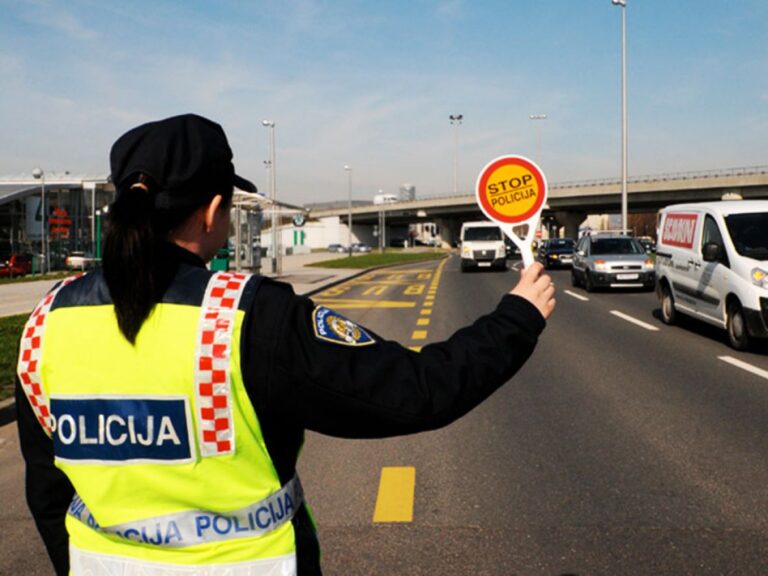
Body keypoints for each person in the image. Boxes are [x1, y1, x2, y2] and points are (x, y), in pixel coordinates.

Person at [16, 113, 556, 576]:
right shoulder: (247, 317)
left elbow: (47, 491)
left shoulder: (46, 322)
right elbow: (415, 392)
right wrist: (517, 317)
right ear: (211, 211)